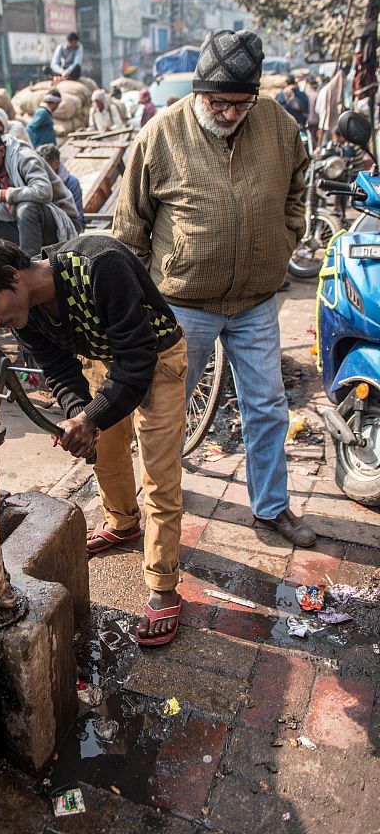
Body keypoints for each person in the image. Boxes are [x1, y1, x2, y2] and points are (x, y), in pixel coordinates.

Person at [113, 28, 316, 548]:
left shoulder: (277, 124)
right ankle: (164, 498)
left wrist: (285, 239)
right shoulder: (160, 135)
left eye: (240, 103)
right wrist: (136, 305)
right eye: (218, 102)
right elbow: (130, 228)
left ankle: (271, 508)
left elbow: (298, 185)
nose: (228, 113)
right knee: (165, 412)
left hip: (255, 300)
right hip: (182, 303)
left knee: (267, 406)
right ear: (199, 92)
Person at [0, 232, 188, 646]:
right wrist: (79, 417)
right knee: (106, 458)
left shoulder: (99, 264)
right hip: (104, 359)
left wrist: (90, 417)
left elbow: (138, 357)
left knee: (159, 475)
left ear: (11, 275)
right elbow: (58, 370)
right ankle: (122, 523)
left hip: (157, 357)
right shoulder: (27, 316)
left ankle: (163, 584)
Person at [0, 128, 80, 256]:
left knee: (26, 208)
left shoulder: (24, 157)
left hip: (59, 223)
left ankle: (30, 267)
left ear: (1, 151)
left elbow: (44, 191)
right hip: (22, 225)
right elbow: (0, 211)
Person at [36, 142, 85, 230]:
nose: (43, 170)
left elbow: (78, 218)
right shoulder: (39, 182)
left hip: (69, 225)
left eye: (46, 166)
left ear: (56, 163)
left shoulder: (71, 183)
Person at [305, 77, 319, 148]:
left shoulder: (306, 94)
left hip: (308, 120)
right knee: (314, 138)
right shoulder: (317, 94)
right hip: (316, 120)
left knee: (311, 138)